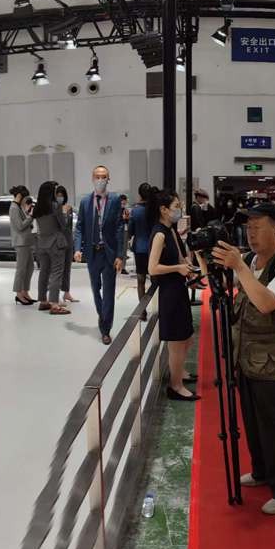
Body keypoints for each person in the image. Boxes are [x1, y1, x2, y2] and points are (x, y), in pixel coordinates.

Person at [211, 203, 275, 515]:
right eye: (248, 227)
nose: (250, 233)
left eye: (257, 227)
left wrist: (239, 268)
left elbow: (266, 303)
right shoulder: (251, 261)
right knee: (253, 422)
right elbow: (232, 290)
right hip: (247, 358)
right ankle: (263, 470)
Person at [145, 192, 198, 401]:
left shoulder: (171, 230)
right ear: (164, 210)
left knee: (187, 338)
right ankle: (175, 386)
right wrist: (178, 268)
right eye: (176, 206)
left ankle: (180, 372)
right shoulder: (159, 234)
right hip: (169, 292)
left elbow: (179, 256)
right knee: (177, 341)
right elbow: (152, 268)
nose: (179, 209)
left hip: (178, 288)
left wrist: (187, 266)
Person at [74, 166, 128, 344]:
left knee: (109, 291)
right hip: (92, 253)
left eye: (103, 177)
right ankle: (102, 315)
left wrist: (120, 255)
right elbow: (80, 227)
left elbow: (120, 228)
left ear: (108, 179)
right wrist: (77, 248)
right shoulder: (85, 202)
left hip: (109, 253)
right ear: (92, 178)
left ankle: (106, 329)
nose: (100, 180)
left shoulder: (115, 200)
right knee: (95, 288)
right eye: (97, 176)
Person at [32, 181, 72, 315]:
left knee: (44, 272)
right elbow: (63, 225)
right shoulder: (55, 206)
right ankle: (55, 304)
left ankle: (43, 301)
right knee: (56, 273)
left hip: (42, 243)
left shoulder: (37, 208)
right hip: (55, 243)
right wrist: (64, 213)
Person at [130, 184, 159, 321]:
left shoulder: (135, 211)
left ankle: (142, 311)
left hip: (140, 248)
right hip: (154, 247)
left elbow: (131, 231)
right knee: (155, 279)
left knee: (140, 280)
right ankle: (157, 307)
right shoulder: (156, 210)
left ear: (139, 195)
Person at [11, 186, 38, 306]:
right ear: (19, 196)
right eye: (24, 197)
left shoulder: (18, 207)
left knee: (30, 267)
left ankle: (25, 292)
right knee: (21, 269)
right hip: (21, 242)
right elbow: (20, 226)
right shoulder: (13, 208)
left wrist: (28, 215)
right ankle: (19, 294)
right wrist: (31, 216)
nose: (25, 200)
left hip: (25, 241)